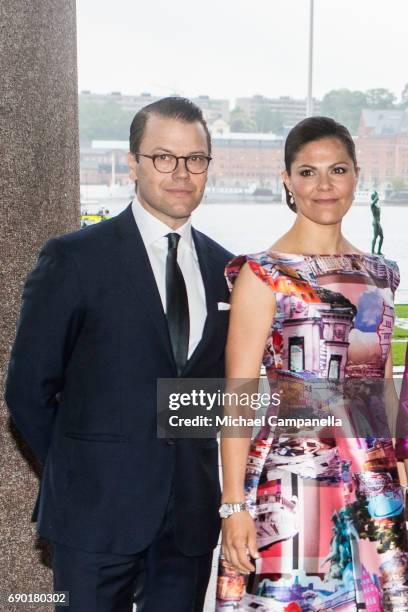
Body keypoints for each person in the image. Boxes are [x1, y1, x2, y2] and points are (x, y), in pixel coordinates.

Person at [5, 97, 233, 612]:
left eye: (195, 158)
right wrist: (85, 470)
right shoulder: (75, 259)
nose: (181, 173)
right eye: (163, 157)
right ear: (133, 163)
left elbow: (216, 393)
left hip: (189, 522)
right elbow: (27, 391)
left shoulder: (227, 270)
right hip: (93, 516)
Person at [216, 117, 408, 610]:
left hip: (373, 479)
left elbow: (381, 385)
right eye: (308, 172)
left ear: (357, 175)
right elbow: (237, 396)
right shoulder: (264, 274)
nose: (324, 185)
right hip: (294, 475)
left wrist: (399, 470)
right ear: (287, 180)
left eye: (337, 170)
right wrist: (233, 505)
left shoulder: (380, 275)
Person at [370, 189, 384, 254]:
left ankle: (378, 251)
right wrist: (376, 194)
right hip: (375, 222)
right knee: (375, 236)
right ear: (373, 198)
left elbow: (377, 199)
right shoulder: (372, 205)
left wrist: (376, 194)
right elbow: (376, 198)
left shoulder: (377, 206)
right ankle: (372, 251)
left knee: (382, 237)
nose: (377, 199)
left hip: (378, 222)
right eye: (375, 197)